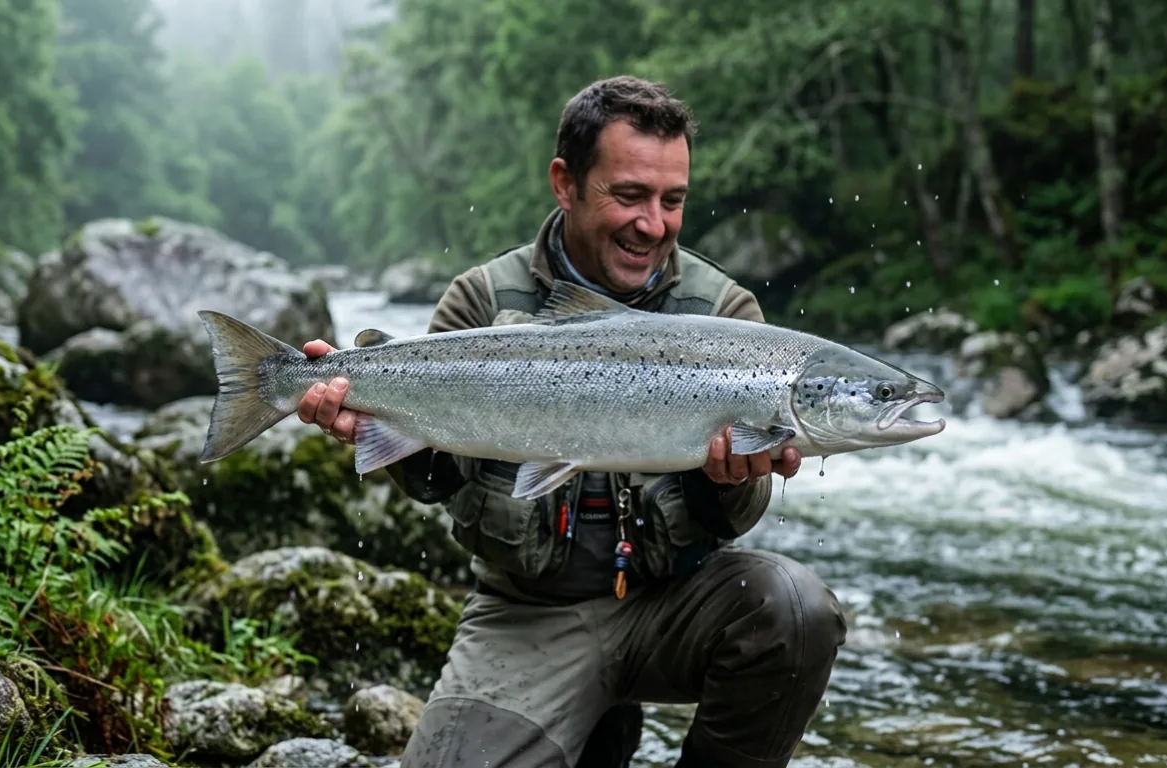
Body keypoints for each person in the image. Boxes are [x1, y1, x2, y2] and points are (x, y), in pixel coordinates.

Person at [296, 76, 847, 768]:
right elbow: (436, 479)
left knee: (794, 610)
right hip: (527, 616)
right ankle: (592, 732)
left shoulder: (725, 314)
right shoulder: (483, 299)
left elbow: (733, 517)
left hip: (669, 607)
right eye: (628, 195)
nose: (652, 223)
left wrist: (730, 477)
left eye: (671, 200)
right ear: (565, 183)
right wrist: (370, 420)